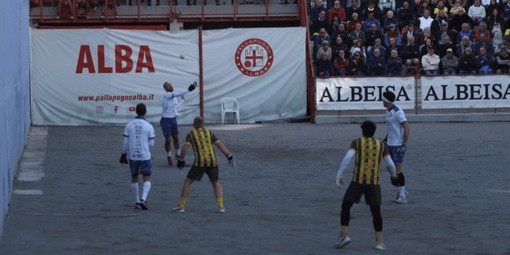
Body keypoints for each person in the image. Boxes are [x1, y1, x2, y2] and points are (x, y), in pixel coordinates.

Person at [335, 120, 399, 250]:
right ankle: (379, 242)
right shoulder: (381, 145)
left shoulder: (357, 142)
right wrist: (394, 176)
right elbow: (391, 164)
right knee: (376, 212)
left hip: (358, 181)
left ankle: (344, 235)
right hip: (374, 183)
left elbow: (347, 158)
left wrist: (339, 174)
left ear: (362, 131)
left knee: (346, 206)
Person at [172, 116, 235, 213]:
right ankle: (221, 207)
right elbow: (220, 145)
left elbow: (185, 147)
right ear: (203, 124)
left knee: (188, 181)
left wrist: (181, 160)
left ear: (194, 124)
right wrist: (229, 156)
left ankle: (181, 206)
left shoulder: (191, 134)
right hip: (212, 162)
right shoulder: (210, 133)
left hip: (199, 163)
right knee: (216, 183)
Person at [119, 103, 156, 210]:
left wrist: (123, 154)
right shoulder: (149, 126)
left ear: (136, 111)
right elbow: (152, 143)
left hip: (133, 155)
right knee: (147, 177)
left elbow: (125, 142)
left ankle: (136, 201)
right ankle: (143, 200)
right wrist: (147, 150)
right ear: (145, 112)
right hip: (145, 155)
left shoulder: (129, 124)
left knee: (134, 177)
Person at [382, 91, 410, 204]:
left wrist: (404, 144)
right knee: (391, 169)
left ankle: (402, 195)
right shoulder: (388, 111)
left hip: (397, 145)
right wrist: (385, 139)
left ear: (386, 100)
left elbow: (407, 127)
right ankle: (401, 189)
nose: (381, 101)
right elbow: (391, 128)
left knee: (397, 170)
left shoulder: (398, 112)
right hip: (390, 144)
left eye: (383, 99)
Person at [160, 81, 197, 166]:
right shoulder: (167, 95)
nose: (170, 86)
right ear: (165, 88)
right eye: (168, 85)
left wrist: (183, 101)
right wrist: (188, 90)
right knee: (168, 141)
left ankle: (178, 154)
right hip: (165, 120)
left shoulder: (174, 98)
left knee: (176, 138)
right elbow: (178, 93)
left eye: (170, 85)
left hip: (173, 120)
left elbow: (176, 108)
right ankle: (169, 156)